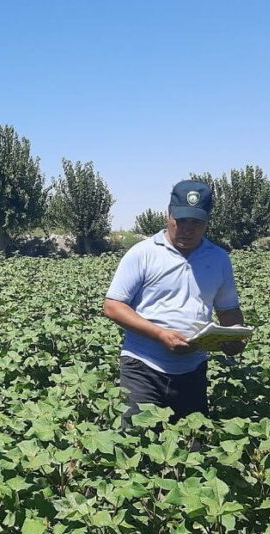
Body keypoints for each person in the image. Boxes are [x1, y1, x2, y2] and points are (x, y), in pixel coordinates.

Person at [103, 180, 246, 427]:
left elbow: (229, 311)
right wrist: (160, 335)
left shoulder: (219, 258)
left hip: (193, 369)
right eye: (181, 221)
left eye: (196, 223)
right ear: (169, 215)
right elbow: (113, 306)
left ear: (207, 222)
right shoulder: (143, 252)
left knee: (193, 448)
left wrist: (235, 338)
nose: (188, 229)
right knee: (136, 443)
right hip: (142, 367)